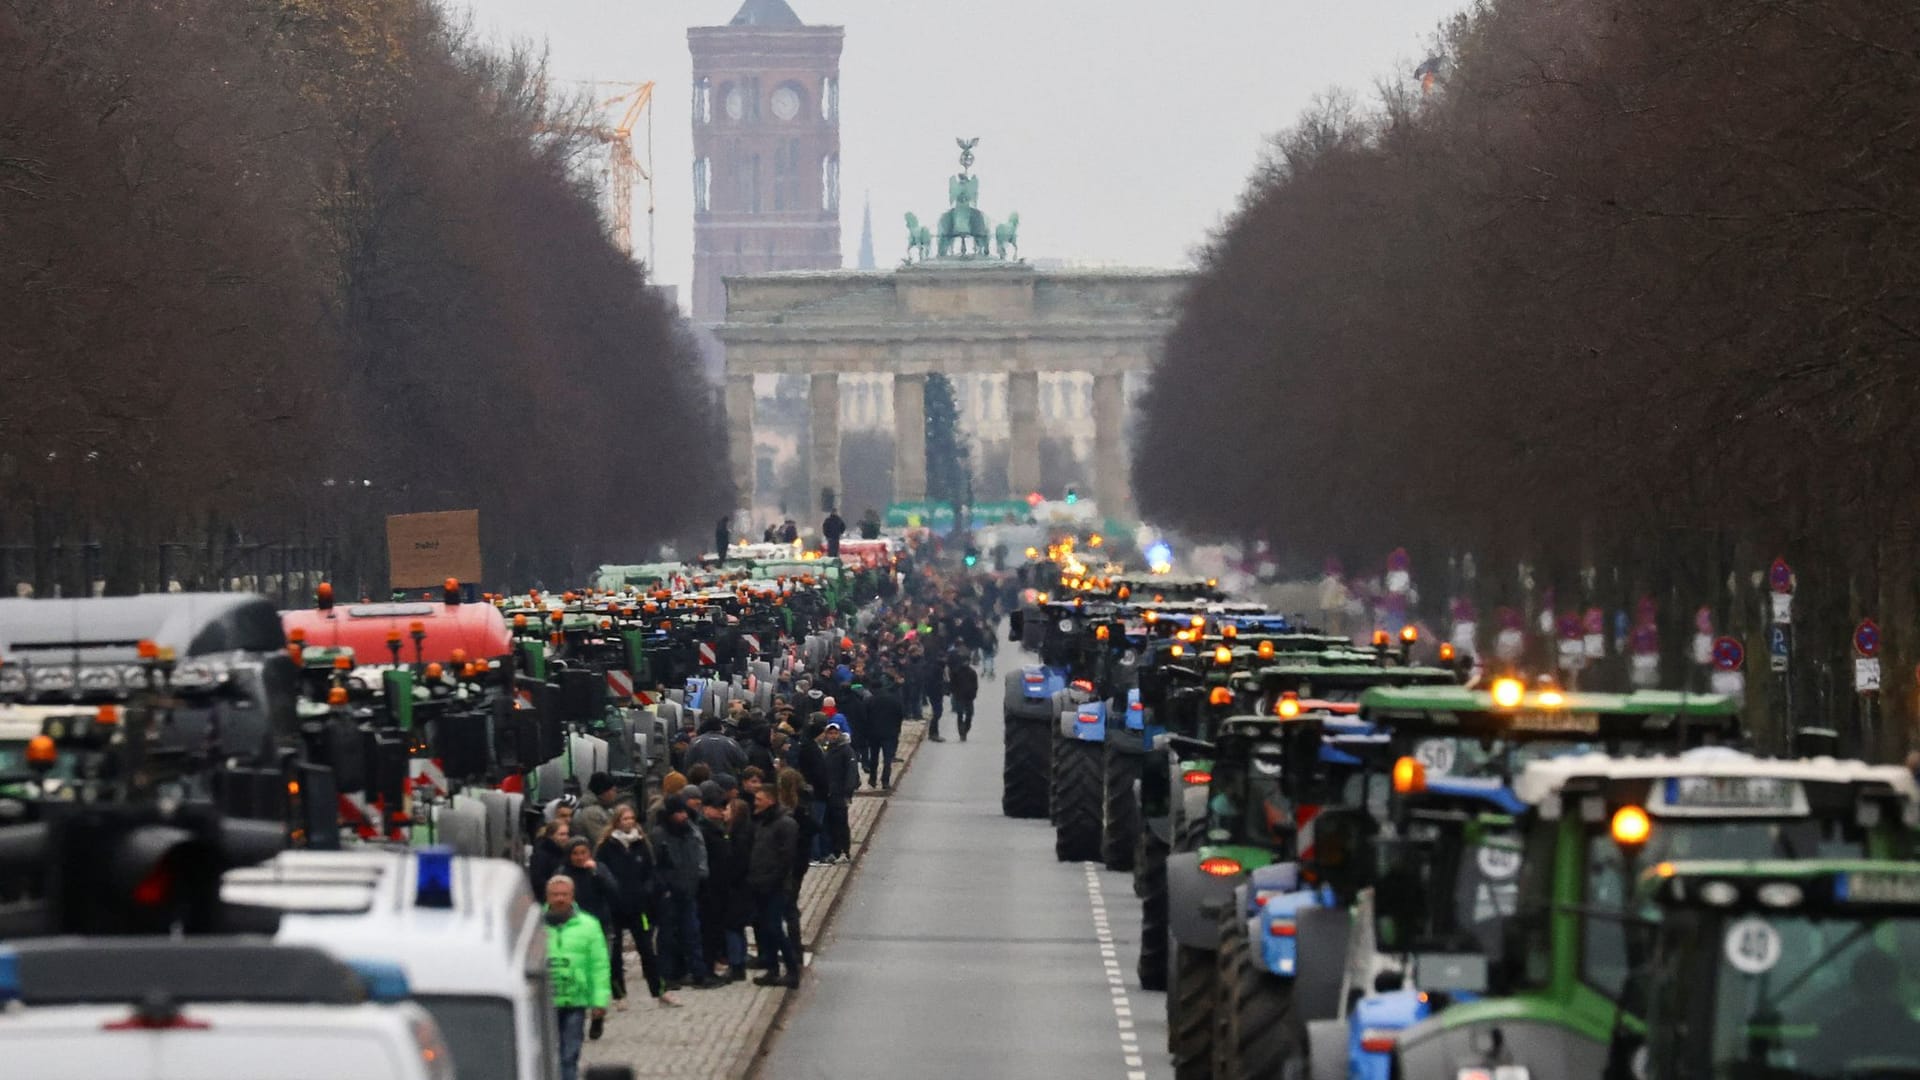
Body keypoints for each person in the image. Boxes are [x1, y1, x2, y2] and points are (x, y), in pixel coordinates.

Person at [595, 805, 676, 1008]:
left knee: (647, 950)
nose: (629, 822)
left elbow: (650, 872)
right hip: (615, 906)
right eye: (624, 819)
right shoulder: (606, 847)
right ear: (616, 822)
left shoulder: (641, 844)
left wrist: (647, 890)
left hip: (638, 906)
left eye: (631, 818)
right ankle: (619, 995)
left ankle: (659, 991)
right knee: (615, 954)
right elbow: (602, 874)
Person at [544, 875, 609, 1080]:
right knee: (545, 1056)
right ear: (548, 897)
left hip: (575, 1000)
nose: (560, 899)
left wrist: (599, 1001)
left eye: (564, 894)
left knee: (569, 1056)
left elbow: (599, 965)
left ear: (572, 896)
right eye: (555, 895)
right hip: (544, 1003)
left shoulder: (589, 926)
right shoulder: (532, 924)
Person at [650, 795, 717, 989]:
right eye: (679, 812)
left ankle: (699, 974)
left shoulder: (689, 832)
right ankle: (667, 976)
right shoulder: (659, 835)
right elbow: (656, 866)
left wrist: (696, 880)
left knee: (692, 934)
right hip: (669, 894)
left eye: (684, 812)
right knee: (667, 936)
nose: (683, 816)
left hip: (688, 891)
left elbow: (694, 858)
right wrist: (664, 887)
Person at [747, 781, 801, 987]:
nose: (755, 802)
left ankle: (792, 970)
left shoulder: (785, 824)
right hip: (760, 883)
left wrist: (773, 880)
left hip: (776, 887)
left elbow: (786, 858)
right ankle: (772, 968)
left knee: (775, 928)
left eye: (759, 799)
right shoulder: (763, 822)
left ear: (770, 800)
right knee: (767, 929)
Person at [695, 780, 733, 980]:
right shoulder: (705, 830)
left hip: (719, 887)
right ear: (707, 808)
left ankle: (713, 964)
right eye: (719, 808)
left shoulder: (716, 828)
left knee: (715, 927)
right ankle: (707, 969)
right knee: (709, 929)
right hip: (710, 888)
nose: (722, 812)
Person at [822, 723, 859, 860]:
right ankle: (833, 850)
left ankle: (843, 850)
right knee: (830, 822)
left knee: (840, 823)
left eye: (835, 733)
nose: (832, 736)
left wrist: (848, 791)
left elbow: (851, 771)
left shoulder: (846, 750)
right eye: (830, 733)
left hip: (839, 793)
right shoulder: (825, 748)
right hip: (827, 792)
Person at [863, 676, 906, 790]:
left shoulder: (869, 701)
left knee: (874, 757)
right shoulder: (894, 700)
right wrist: (897, 729)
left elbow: (864, 718)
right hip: (890, 734)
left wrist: (867, 731)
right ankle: (885, 781)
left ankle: (872, 779)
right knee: (888, 759)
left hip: (873, 734)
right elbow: (901, 715)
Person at [684, 717, 749, 776]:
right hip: (727, 781)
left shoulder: (695, 742)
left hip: (702, 780)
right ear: (720, 727)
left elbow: (687, 763)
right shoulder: (730, 742)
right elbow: (743, 761)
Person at [575, 772, 623, 841]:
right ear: (604, 792)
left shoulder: (604, 808)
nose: (616, 793)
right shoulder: (592, 812)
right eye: (613, 790)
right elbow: (601, 840)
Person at [528, 819, 571, 896]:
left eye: (567, 834)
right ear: (551, 836)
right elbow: (538, 882)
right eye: (561, 834)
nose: (565, 837)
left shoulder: (566, 853)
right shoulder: (540, 856)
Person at [948, 651, 979, 742]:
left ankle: (966, 728)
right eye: (964, 661)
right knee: (960, 714)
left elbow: (975, 684)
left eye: (967, 661)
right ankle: (961, 732)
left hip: (969, 696)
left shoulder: (972, 672)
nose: (966, 663)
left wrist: (974, 693)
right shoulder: (956, 672)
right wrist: (953, 692)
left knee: (969, 715)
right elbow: (952, 683)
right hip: (959, 696)